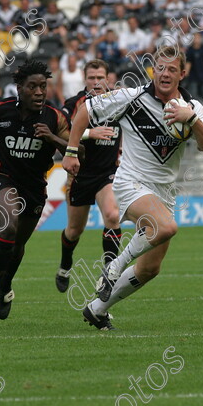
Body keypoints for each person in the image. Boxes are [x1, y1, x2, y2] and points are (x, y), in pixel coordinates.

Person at [63, 46, 203, 330]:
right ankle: (114, 266)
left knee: (150, 268)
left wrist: (192, 119)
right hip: (129, 182)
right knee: (167, 227)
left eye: (172, 69)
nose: (165, 73)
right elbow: (85, 110)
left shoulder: (192, 107)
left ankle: (97, 309)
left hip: (164, 192)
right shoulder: (131, 98)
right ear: (153, 70)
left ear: (182, 74)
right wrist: (72, 151)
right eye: (160, 67)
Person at [0, 60, 70, 322]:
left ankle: (5, 287)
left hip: (35, 186)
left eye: (43, 86)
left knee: (17, 245)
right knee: (8, 228)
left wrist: (53, 139)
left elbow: (78, 152)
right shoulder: (0, 109)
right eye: (32, 87)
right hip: (4, 177)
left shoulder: (55, 118)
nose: (40, 92)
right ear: (19, 88)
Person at [55, 60, 122, 293]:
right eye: (92, 78)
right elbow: (61, 134)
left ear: (108, 78)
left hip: (108, 172)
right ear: (84, 80)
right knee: (74, 230)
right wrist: (89, 133)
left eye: (100, 77)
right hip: (80, 174)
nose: (96, 82)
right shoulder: (75, 104)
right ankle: (65, 264)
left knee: (113, 216)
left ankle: (109, 273)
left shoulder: (119, 99)